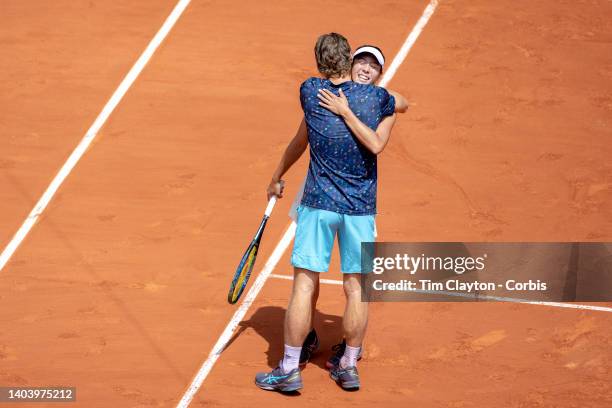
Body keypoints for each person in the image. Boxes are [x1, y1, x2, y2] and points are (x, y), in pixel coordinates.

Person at [255, 33, 403, 393]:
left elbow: (303, 136)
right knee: (357, 289)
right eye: (362, 62)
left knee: (304, 285)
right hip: (359, 210)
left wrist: (276, 177)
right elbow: (402, 102)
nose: (366, 68)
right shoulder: (379, 101)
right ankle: (348, 364)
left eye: (373, 65)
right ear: (351, 62)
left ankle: (290, 367)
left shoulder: (311, 92)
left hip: (318, 205)